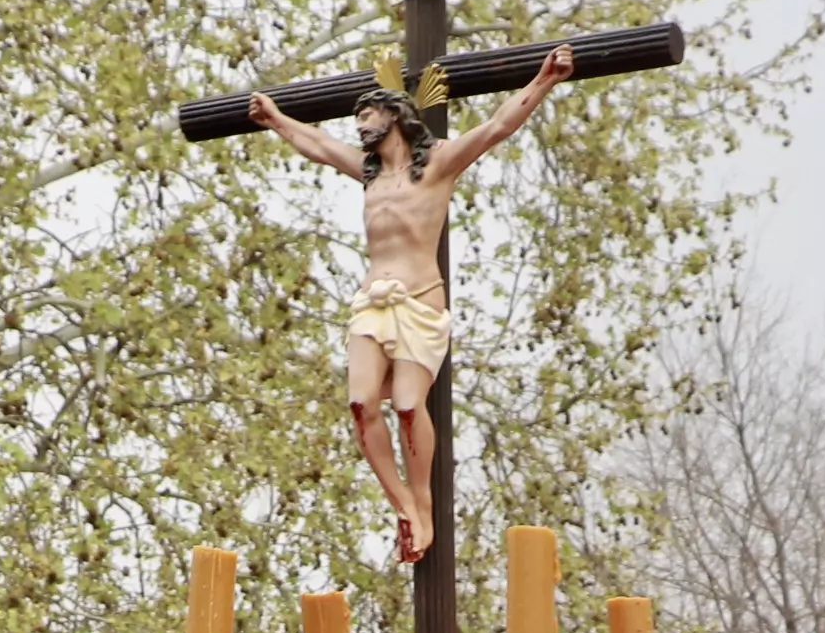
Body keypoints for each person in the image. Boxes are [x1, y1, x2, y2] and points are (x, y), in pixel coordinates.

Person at [242, 44, 575, 564]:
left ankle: (423, 501)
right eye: (357, 117)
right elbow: (318, 145)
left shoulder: (437, 165)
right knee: (360, 404)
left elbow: (496, 128)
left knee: (405, 406)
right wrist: (276, 119)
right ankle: (403, 505)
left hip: (419, 300)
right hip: (372, 302)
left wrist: (544, 79)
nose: (359, 125)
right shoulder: (370, 173)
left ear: (395, 114)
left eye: (367, 114)